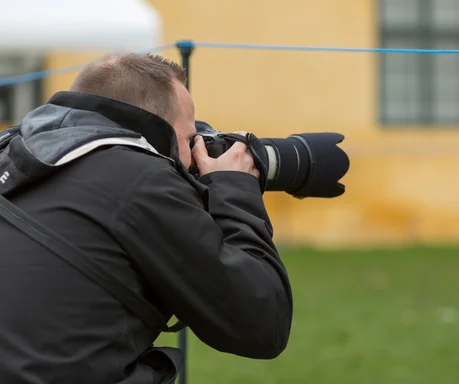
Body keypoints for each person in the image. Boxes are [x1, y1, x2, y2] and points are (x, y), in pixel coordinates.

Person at [0, 53, 293, 383]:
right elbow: (262, 323)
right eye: (187, 137)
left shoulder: (14, 157)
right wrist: (235, 188)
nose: (195, 152)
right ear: (157, 132)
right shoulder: (138, 178)